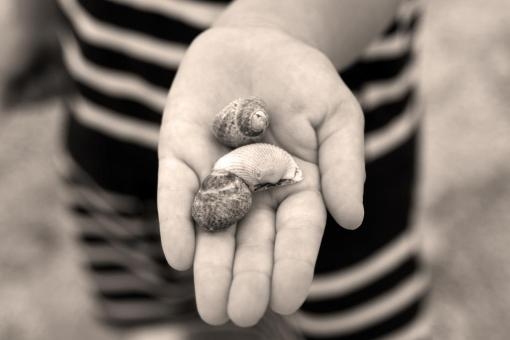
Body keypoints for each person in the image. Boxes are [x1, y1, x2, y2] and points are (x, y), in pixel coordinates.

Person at [8, 0, 429, 338]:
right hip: (109, 129)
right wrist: (32, 18)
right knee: (149, 305)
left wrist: (274, 23)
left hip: (316, 154)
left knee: (346, 316)